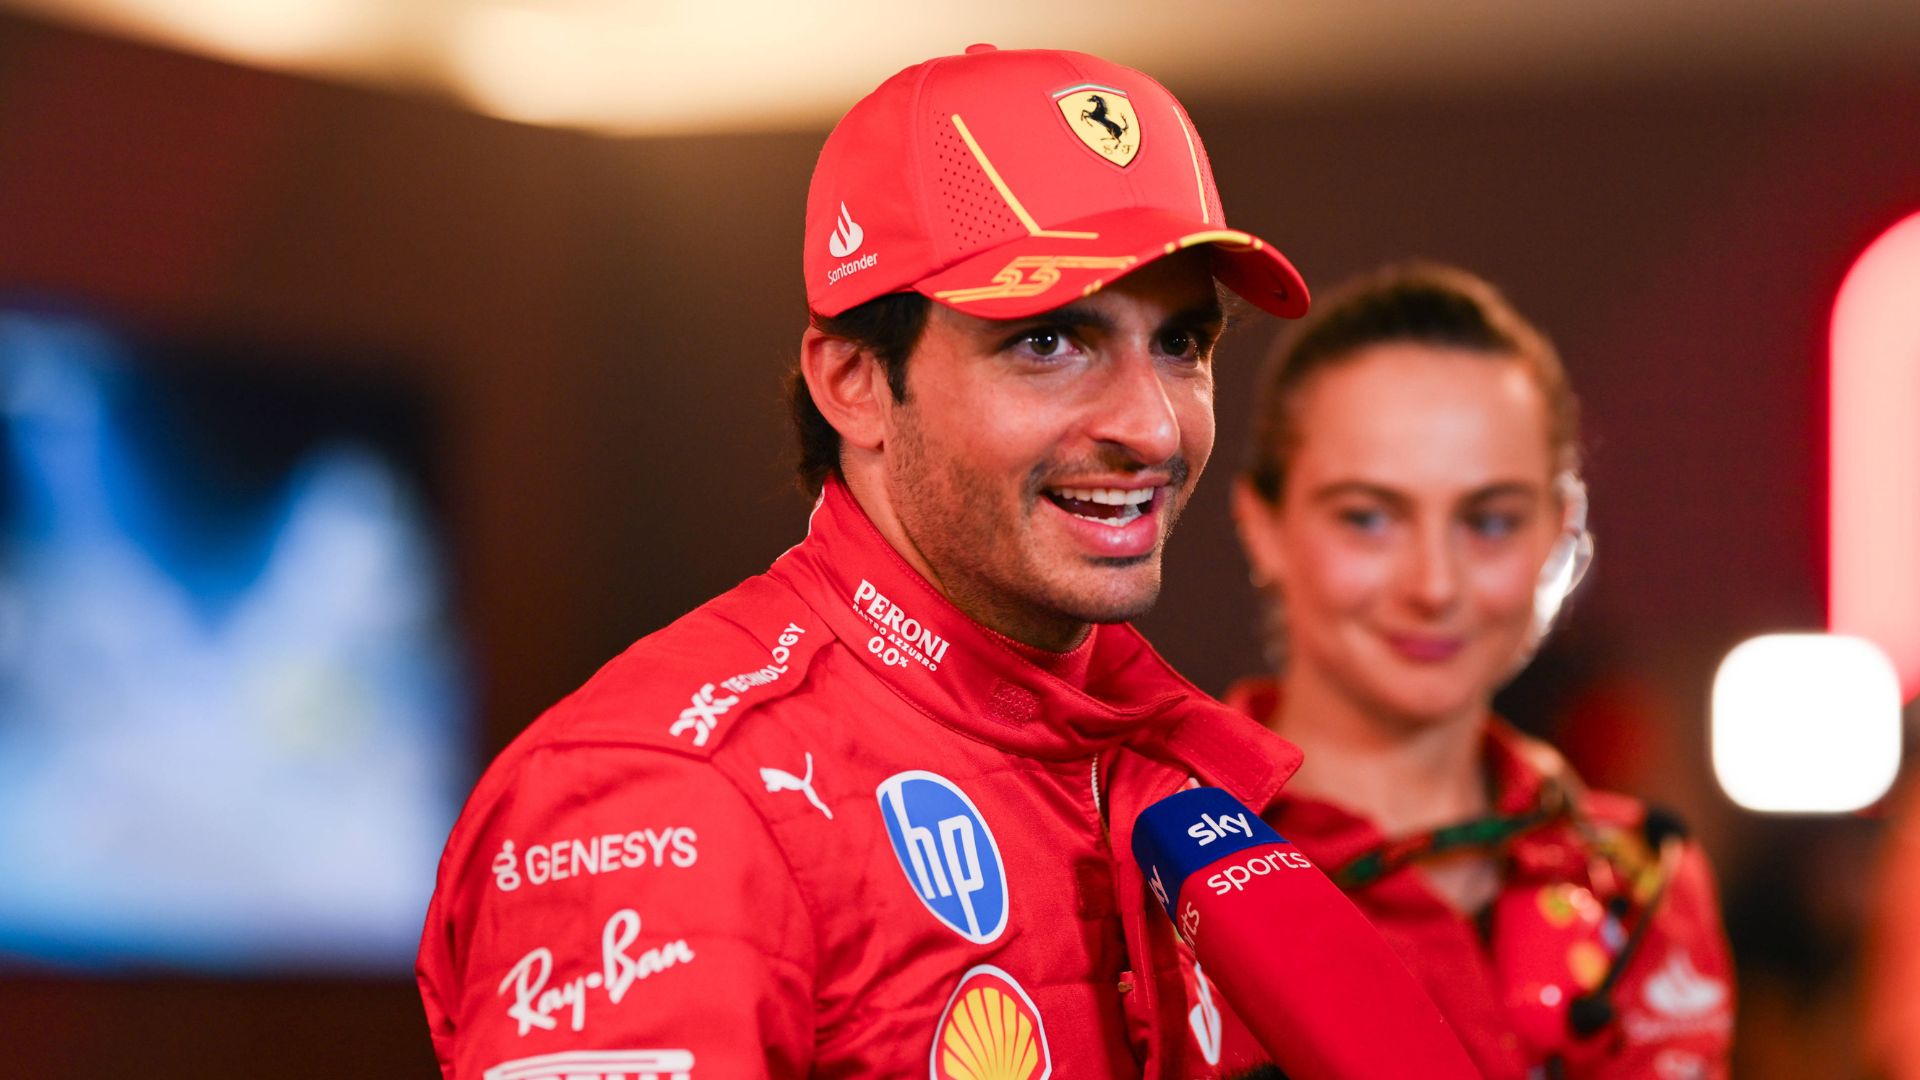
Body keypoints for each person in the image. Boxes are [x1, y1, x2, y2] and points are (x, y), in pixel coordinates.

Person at [417, 45, 1335, 1078]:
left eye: (1182, 344)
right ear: (854, 381)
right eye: (1049, 343)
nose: (1154, 428)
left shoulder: (1154, 760)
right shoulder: (662, 794)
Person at [1226, 262, 1736, 1078]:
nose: (1434, 584)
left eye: (1490, 521)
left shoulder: (1641, 881)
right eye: (1368, 518)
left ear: (1558, 532)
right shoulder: (1151, 863)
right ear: (1262, 526)